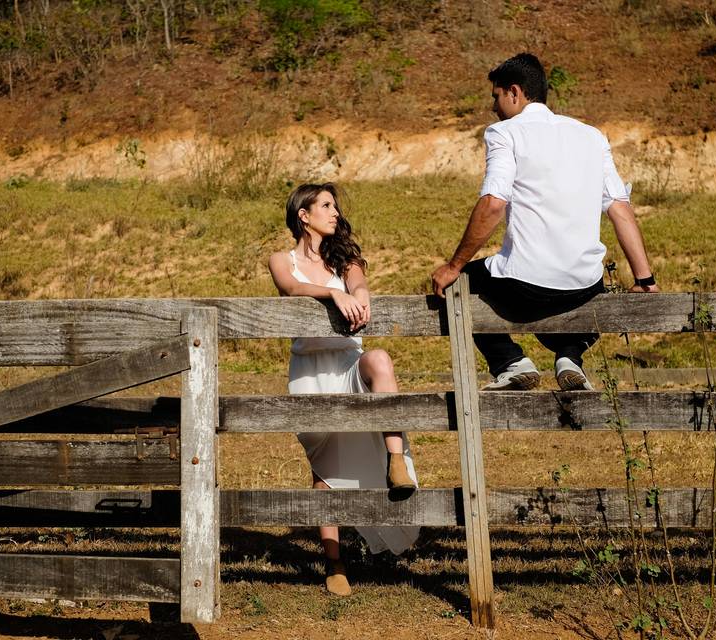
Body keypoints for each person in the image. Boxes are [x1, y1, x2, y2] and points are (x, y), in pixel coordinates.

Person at [431, 52, 659, 391]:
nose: (493, 107)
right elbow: (620, 209)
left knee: (461, 282)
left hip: (526, 289)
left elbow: (493, 203)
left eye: (496, 97)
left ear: (514, 92)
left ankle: (510, 362)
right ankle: (570, 355)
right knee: (594, 284)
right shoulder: (592, 136)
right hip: (584, 287)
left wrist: (454, 264)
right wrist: (645, 278)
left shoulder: (504, 133)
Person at [268, 182, 419, 597]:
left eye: (335, 206)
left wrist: (358, 293)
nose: (335, 213)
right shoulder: (281, 259)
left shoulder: (345, 256)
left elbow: (360, 284)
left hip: (350, 363)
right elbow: (291, 288)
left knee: (382, 360)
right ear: (304, 214)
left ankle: (396, 463)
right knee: (325, 473)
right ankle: (334, 562)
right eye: (326, 206)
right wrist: (332, 293)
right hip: (311, 373)